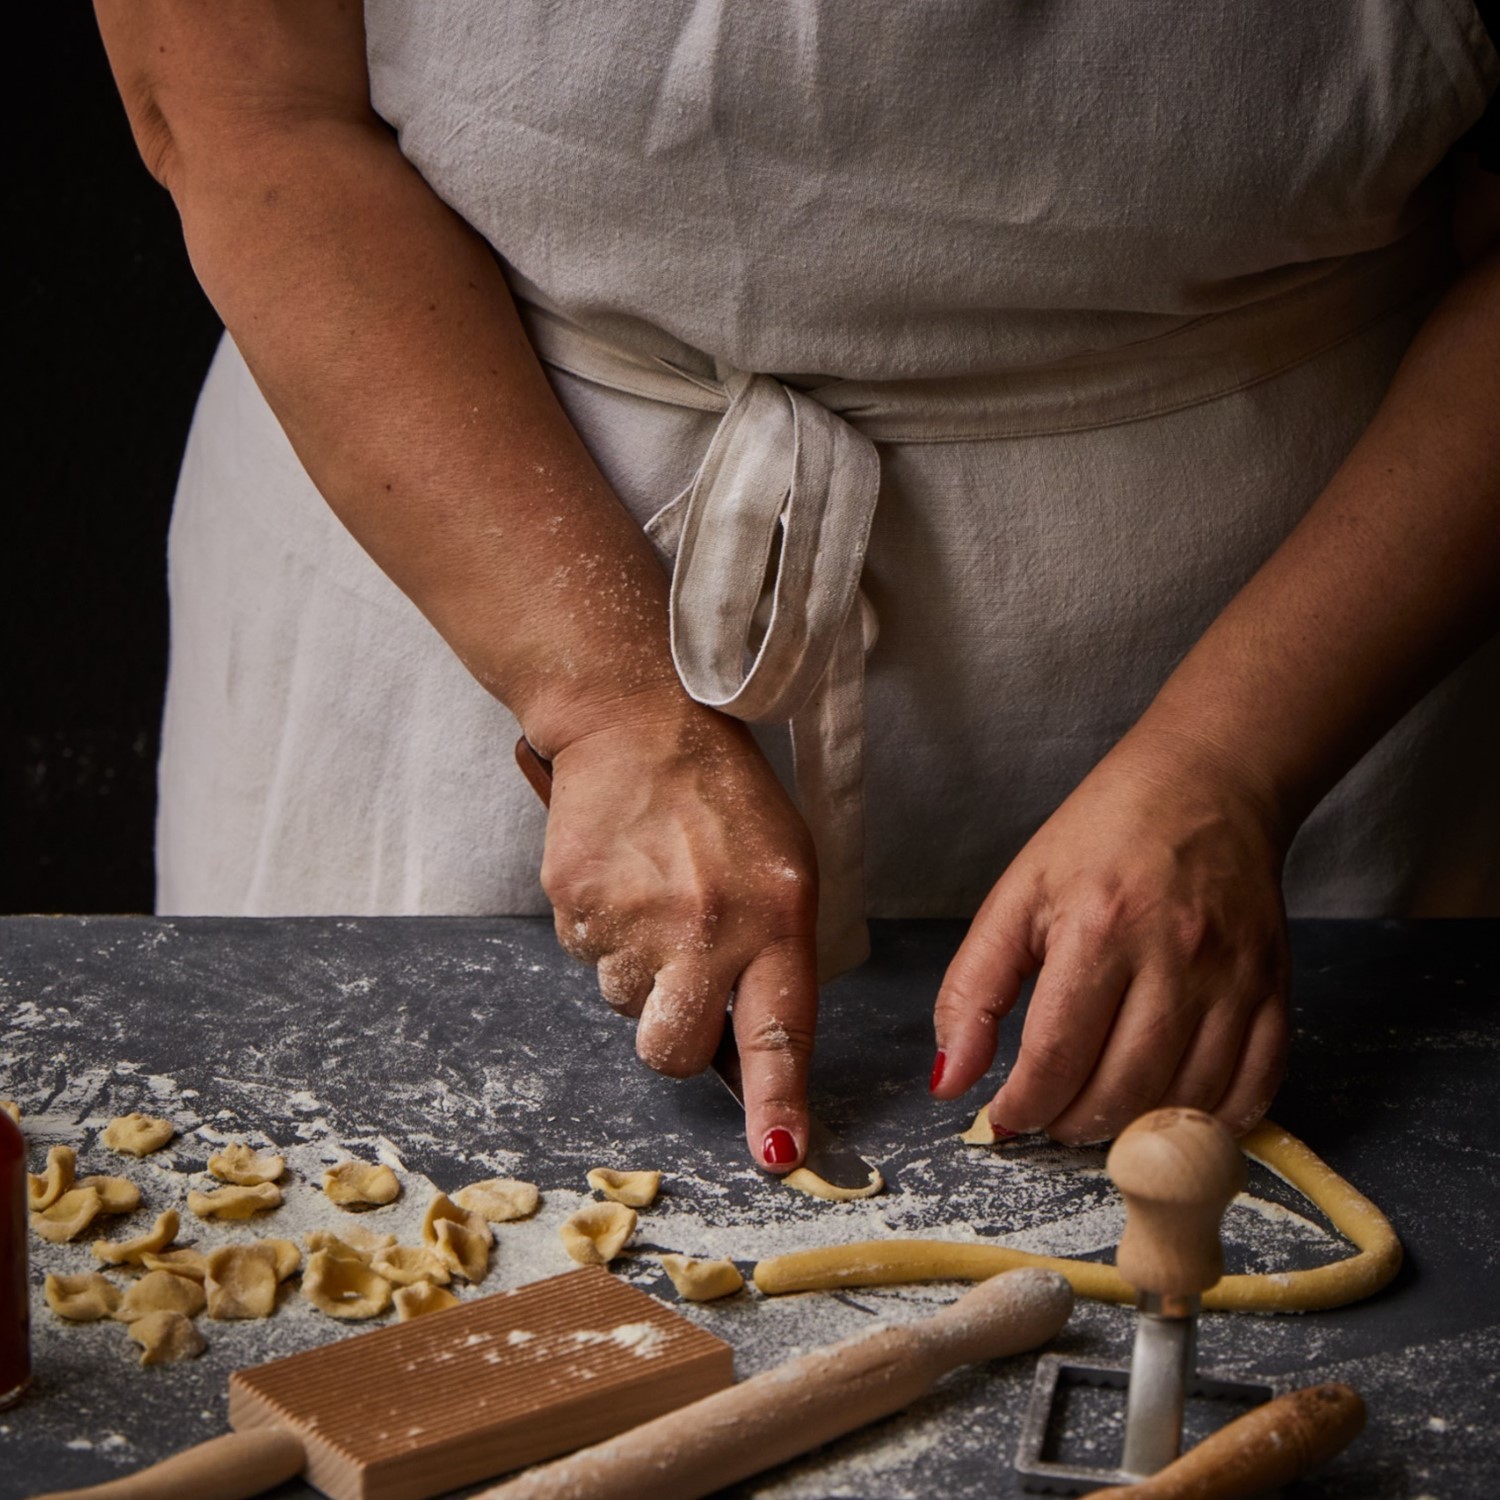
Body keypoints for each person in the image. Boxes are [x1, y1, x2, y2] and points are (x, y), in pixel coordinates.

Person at [95, 3, 1500, 1171]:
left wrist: (1231, 763)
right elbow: (241, 107)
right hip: (461, 533)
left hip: (1303, 639)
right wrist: (604, 700)